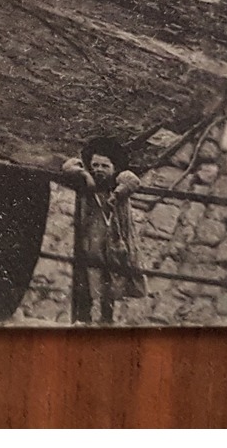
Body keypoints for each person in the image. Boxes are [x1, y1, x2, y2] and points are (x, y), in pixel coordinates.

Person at [61, 136, 148, 324]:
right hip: (91, 240)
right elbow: (68, 167)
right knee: (87, 279)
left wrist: (117, 194)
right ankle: (84, 318)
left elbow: (133, 180)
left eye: (105, 166)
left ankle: (106, 320)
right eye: (96, 165)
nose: (99, 169)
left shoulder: (120, 182)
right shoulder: (85, 181)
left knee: (110, 282)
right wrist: (86, 176)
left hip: (113, 242)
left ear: (114, 168)